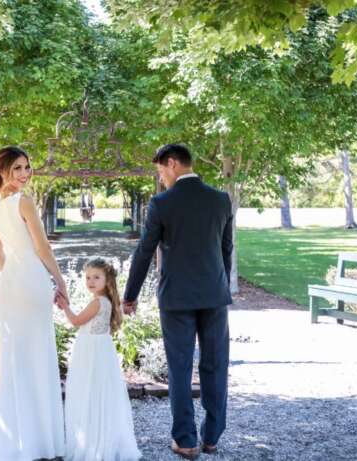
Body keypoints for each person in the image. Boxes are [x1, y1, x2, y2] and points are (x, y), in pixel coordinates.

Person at [123, 144, 233, 460]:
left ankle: (185, 440)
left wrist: (130, 295)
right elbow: (226, 249)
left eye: (161, 171)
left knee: (181, 367)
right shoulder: (220, 199)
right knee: (215, 365)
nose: (161, 178)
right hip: (214, 296)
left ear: (172, 164)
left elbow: (144, 251)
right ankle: (211, 437)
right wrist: (221, 286)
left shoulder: (162, 203)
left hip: (176, 300)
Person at [0, 146, 68, 461]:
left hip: (10, 285)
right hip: (31, 281)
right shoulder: (24, 201)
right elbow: (43, 247)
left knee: (17, 358)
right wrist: (59, 282)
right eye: (18, 168)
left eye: (27, 167)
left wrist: (14, 273)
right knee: (38, 355)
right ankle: (43, 443)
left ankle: (19, 443)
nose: (24, 174)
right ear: (3, 170)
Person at [60, 258, 142, 461]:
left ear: (108, 280)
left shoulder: (98, 302)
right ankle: (97, 438)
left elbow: (76, 321)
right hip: (100, 349)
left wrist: (64, 306)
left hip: (91, 352)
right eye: (88, 277)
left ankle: (93, 442)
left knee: (90, 391)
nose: (91, 281)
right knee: (99, 393)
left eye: (96, 277)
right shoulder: (107, 301)